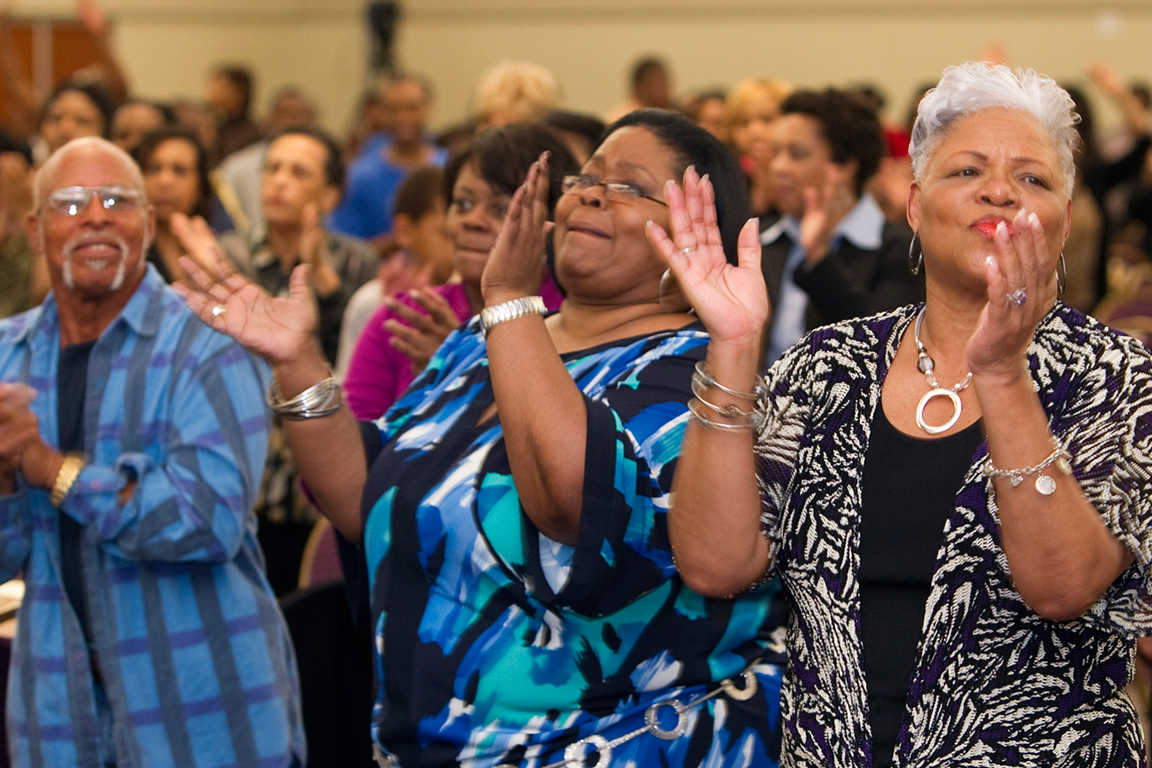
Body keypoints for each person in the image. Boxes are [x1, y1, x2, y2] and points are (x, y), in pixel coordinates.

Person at [173, 108, 785, 767]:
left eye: (629, 186)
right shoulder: (478, 342)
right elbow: (364, 496)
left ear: (699, 238)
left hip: (589, 745)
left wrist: (508, 299)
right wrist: (295, 361)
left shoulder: (688, 374)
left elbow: (568, 507)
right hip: (428, 740)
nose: (591, 191)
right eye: (586, 177)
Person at [652, 62, 1152, 767]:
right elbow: (715, 563)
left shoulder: (1114, 376)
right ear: (914, 208)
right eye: (966, 171)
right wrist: (733, 349)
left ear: (1064, 221)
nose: (1000, 191)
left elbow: (1063, 585)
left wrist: (1003, 374)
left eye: (1033, 179)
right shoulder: (831, 365)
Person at [0, 136, 303, 767]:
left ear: (150, 223)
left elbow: (207, 520)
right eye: (70, 202)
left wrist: (49, 471)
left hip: (201, 707)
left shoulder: (208, 341)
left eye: (117, 200)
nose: (96, 216)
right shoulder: (8, 355)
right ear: (35, 229)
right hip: (59, 711)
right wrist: (4, 480)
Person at [343, 123, 572, 421]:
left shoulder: (570, 322)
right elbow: (355, 451)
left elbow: (561, 449)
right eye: (462, 204)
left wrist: (462, 365)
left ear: (552, 221)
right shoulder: (405, 320)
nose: (472, 221)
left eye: (502, 209)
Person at [760, 87, 921, 364]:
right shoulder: (761, 238)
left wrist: (819, 257)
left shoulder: (900, 250)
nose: (777, 166)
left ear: (845, 165)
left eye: (796, 154)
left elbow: (881, 348)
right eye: (775, 153)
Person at [334, 165, 455, 376]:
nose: (457, 246)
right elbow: (350, 394)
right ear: (405, 231)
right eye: (445, 234)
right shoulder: (371, 302)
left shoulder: (475, 299)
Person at [327, 74, 448, 249]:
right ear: (381, 112)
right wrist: (405, 240)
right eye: (394, 109)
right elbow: (343, 248)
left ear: (428, 108)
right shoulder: (358, 177)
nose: (404, 117)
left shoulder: (451, 168)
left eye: (412, 108)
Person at [135, 124, 237, 283]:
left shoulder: (221, 245)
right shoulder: (128, 250)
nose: (165, 181)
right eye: (153, 169)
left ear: (200, 184)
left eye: (179, 170)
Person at [724, 78, 793, 219]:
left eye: (767, 119)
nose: (755, 131)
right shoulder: (730, 177)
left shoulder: (799, 171)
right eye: (743, 123)